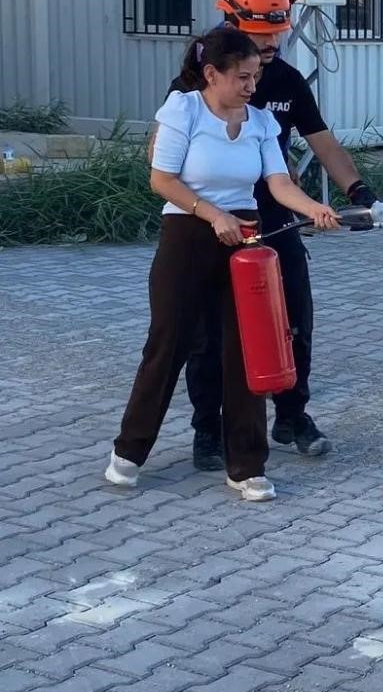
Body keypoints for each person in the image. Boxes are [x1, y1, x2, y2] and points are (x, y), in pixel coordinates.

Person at [106, 27, 341, 502]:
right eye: (242, 77)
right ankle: (128, 452)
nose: (252, 87)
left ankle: (247, 465)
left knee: (247, 351)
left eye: (256, 77)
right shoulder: (184, 109)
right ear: (211, 74)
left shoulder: (260, 123)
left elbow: (278, 184)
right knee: (167, 345)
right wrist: (213, 214)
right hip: (188, 236)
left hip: (245, 241)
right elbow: (162, 179)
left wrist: (312, 206)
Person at [174, 0, 383, 470]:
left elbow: (323, 143)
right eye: (260, 35)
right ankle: (208, 432)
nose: (271, 46)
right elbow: (165, 165)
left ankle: (291, 416)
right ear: (231, 24)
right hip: (215, 227)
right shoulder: (192, 88)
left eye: (277, 33)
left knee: (294, 320)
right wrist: (202, 213)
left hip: (277, 220)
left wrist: (358, 190)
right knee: (208, 335)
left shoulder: (288, 80)